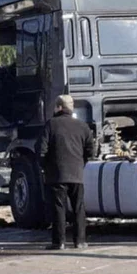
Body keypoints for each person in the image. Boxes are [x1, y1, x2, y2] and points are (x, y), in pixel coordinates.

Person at [37, 94, 96, 250]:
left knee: (59, 208)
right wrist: (81, 163)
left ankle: (59, 242)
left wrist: (45, 166)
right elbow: (91, 150)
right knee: (78, 207)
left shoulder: (51, 125)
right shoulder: (82, 126)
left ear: (59, 107)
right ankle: (80, 241)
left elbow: (41, 150)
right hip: (77, 174)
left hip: (56, 175)